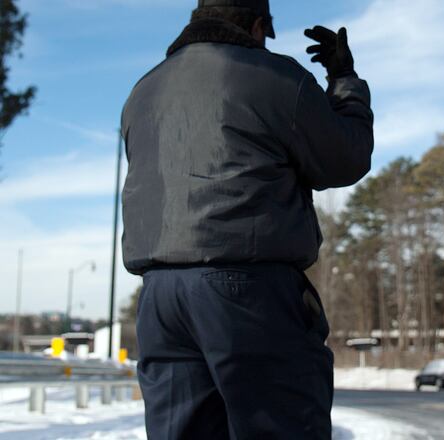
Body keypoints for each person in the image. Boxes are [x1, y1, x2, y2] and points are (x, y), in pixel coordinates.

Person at [120, 0, 374, 438]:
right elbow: (344, 158)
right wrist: (345, 80)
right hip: (247, 292)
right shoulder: (275, 76)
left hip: (160, 299)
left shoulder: (143, 90)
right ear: (257, 26)